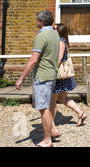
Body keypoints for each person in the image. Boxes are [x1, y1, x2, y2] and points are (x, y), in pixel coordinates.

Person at [16, 10, 60, 147]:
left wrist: (21, 78)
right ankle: (52, 130)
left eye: (37, 20)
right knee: (49, 104)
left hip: (42, 75)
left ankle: (47, 140)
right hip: (52, 74)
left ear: (40, 21)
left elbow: (34, 59)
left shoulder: (41, 36)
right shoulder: (54, 34)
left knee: (43, 108)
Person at [49, 23, 87, 137]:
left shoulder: (60, 42)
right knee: (62, 98)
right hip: (63, 75)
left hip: (58, 76)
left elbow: (59, 58)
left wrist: (52, 70)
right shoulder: (63, 41)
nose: (53, 30)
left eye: (54, 29)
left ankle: (49, 126)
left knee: (52, 102)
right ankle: (81, 113)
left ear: (58, 31)